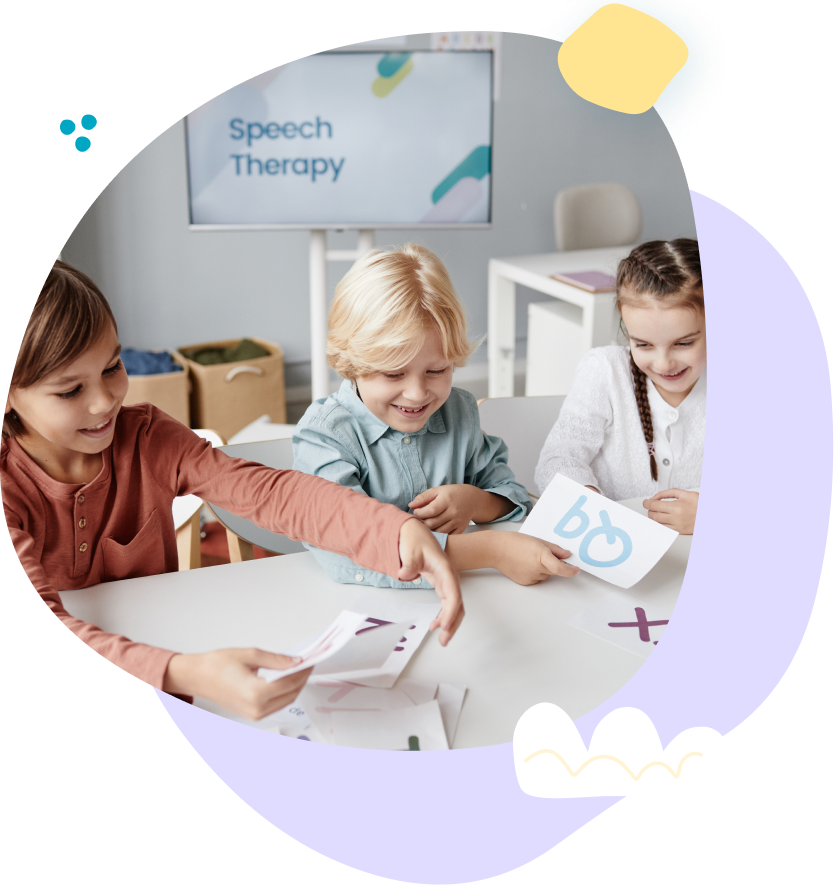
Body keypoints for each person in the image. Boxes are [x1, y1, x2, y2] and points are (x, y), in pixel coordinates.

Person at [2, 261, 464, 722]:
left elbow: (269, 493)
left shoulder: (147, 438)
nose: (105, 401)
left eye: (111, 367)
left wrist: (394, 530)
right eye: (69, 391)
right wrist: (184, 674)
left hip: (170, 647)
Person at [293, 243, 579, 586]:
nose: (417, 394)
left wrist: (474, 502)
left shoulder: (458, 411)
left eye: (437, 370)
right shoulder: (326, 435)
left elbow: (513, 497)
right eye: (394, 373)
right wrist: (493, 550)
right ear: (353, 364)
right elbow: (352, 546)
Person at [535, 239, 705, 534]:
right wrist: (588, 502)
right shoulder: (604, 371)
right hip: (615, 548)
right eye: (643, 344)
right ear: (626, 330)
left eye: (684, 343)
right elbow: (557, 461)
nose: (664, 364)